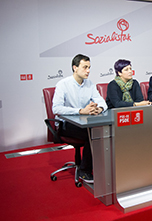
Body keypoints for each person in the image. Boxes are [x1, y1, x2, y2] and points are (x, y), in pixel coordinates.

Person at [52, 54, 108, 183]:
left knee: (100, 131)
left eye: (89, 67)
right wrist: (80, 111)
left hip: (84, 123)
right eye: (85, 67)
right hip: (66, 125)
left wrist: (98, 108)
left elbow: (102, 102)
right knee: (92, 134)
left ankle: (99, 168)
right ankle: (84, 171)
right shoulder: (63, 84)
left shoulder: (89, 84)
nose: (88, 70)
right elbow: (56, 109)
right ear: (75, 68)